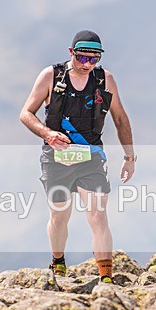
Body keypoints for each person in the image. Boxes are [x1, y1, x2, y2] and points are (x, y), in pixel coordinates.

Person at [19, 30, 136, 284]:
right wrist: (48, 133)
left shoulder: (106, 80)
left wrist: (129, 157)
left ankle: (106, 278)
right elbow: (26, 113)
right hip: (56, 156)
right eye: (82, 58)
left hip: (91, 157)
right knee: (59, 216)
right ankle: (58, 261)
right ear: (71, 52)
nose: (87, 65)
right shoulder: (51, 76)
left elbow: (120, 118)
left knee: (98, 214)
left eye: (93, 59)